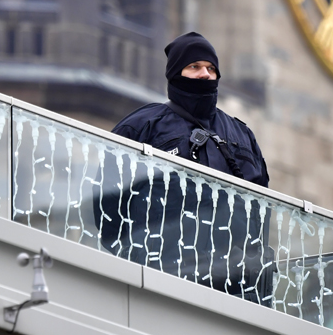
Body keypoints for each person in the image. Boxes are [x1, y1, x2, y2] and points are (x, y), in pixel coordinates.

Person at [94, 32, 273, 303]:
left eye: (211, 68)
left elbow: (263, 209)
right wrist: (136, 258)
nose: (204, 74)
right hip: (161, 277)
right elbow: (106, 204)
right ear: (176, 73)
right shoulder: (142, 126)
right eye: (194, 67)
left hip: (238, 285)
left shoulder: (242, 135)